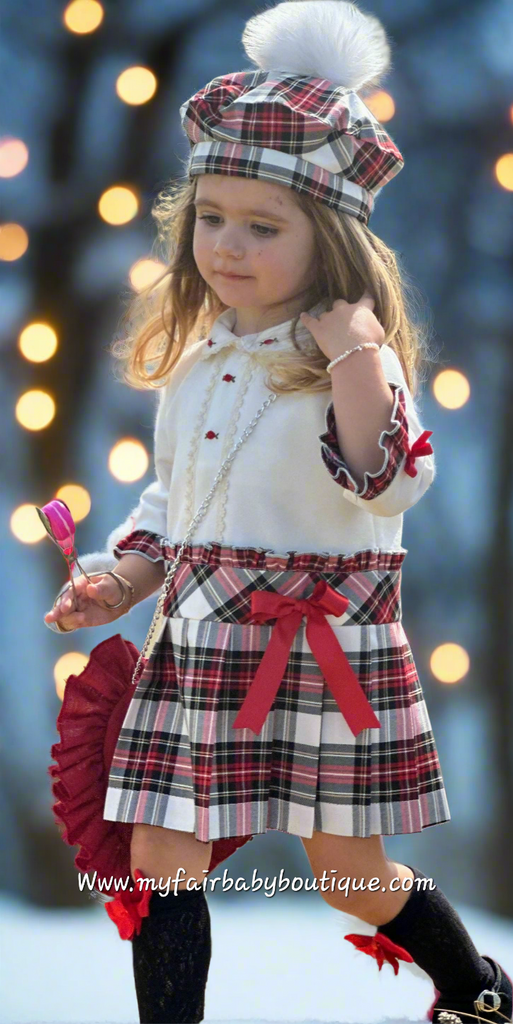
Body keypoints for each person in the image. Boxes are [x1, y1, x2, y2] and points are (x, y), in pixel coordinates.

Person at [43, 2, 512, 1022]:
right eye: (212, 217)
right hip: (203, 638)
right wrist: (122, 578)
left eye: (263, 226)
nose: (228, 244)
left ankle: (477, 990)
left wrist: (355, 357)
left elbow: (388, 480)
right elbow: (175, 504)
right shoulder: (199, 357)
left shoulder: (352, 359)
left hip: (320, 645)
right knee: (159, 856)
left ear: (330, 240)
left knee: (348, 871)